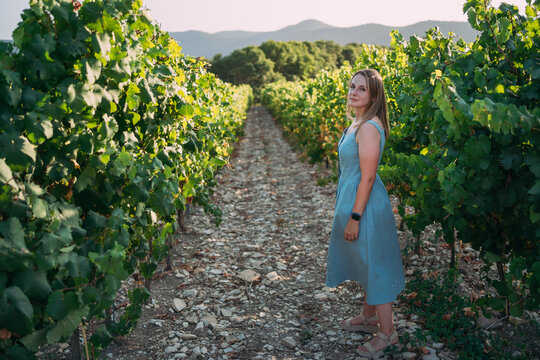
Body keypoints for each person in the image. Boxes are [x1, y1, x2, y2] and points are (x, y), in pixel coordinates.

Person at [325, 69, 405, 357]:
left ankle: (388, 333)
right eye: (352, 86)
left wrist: (355, 217)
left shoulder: (369, 127)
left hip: (366, 206)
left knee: (376, 267)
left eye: (361, 89)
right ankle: (369, 318)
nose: (354, 91)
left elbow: (368, 178)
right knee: (365, 261)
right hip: (353, 198)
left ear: (373, 96)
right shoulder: (358, 123)